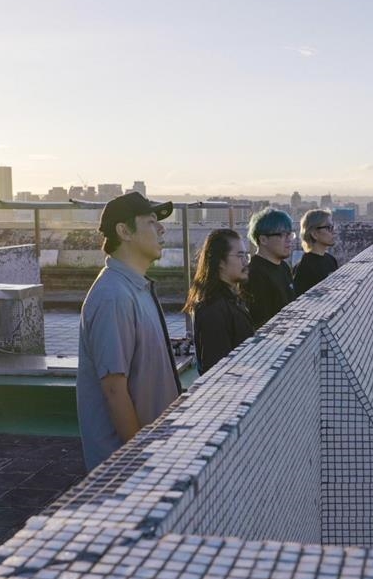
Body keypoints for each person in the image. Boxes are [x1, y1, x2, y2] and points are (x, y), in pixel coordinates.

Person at [76, 191, 182, 471]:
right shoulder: (114, 296)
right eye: (150, 221)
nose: (161, 228)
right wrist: (141, 460)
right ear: (124, 231)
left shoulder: (135, 287)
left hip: (152, 456)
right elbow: (114, 390)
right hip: (127, 469)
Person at [184, 229, 255, 375]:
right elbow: (215, 369)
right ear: (220, 262)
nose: (246, 262)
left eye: (246, 255)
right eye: (240, 256)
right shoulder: (212, 308)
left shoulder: (231, 300)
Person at [242, 207, 295, 328]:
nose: (289, 240)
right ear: (263, 239)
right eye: (282, 235)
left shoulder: (283, 267)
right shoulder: (254, 275)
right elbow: (260, 323)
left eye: (290, 234)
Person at [293, 209, 338, 295]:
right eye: (328, 228)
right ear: (314, 234)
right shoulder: (304, 268)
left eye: (332, 227)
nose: (333, 231)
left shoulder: (331, 260)